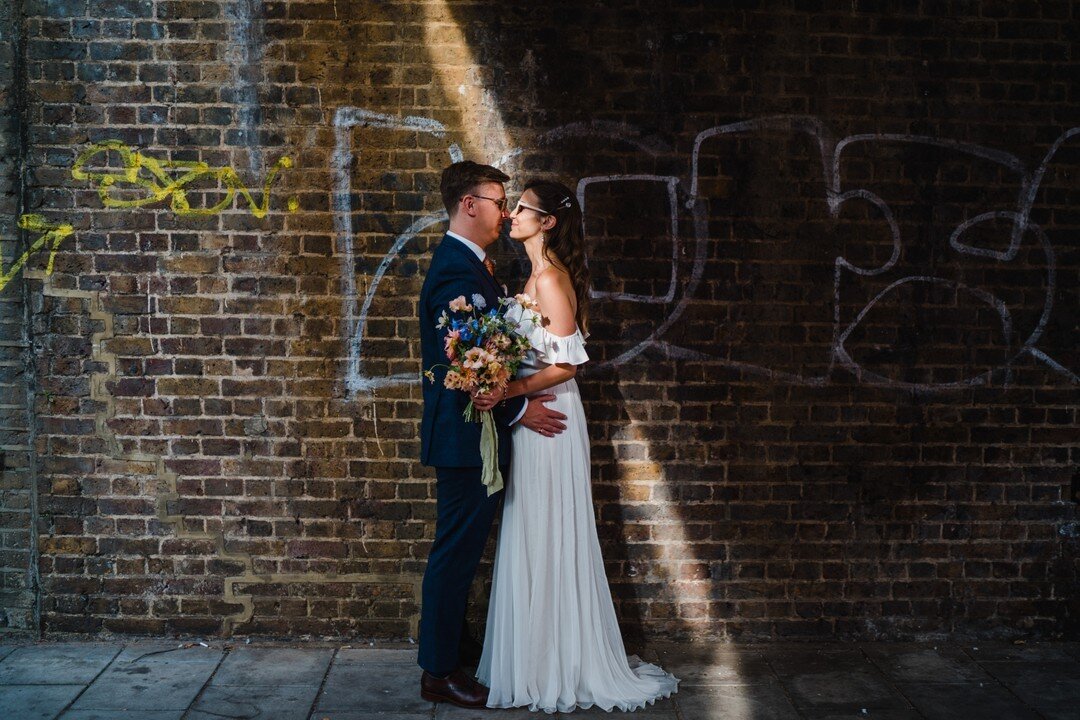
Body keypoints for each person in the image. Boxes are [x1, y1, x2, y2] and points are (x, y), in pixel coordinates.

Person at [471, 180, 680, 712]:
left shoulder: (550, 279)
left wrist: (509, 390)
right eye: (513, 205)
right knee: (532, 529)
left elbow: (567, 363)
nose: (512, 213)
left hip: (552, 418)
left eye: (523, 209)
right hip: (535, 417)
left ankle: (555, 663)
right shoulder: (533, 278)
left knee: (548, 529)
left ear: (549, 223)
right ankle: (537, 657)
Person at [416, 162, 570, 709]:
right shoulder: (457, 271)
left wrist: (509, 400)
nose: (505, 211)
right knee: (455, 553)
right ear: (469, 205)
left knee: (460, 550)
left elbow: (480, 358)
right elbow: (466, 368)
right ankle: (437, 671)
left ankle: (453, 653)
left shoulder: (472, 264)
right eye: (498, 200)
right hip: (465, 438)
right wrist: (517, 410)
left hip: (473, 434)